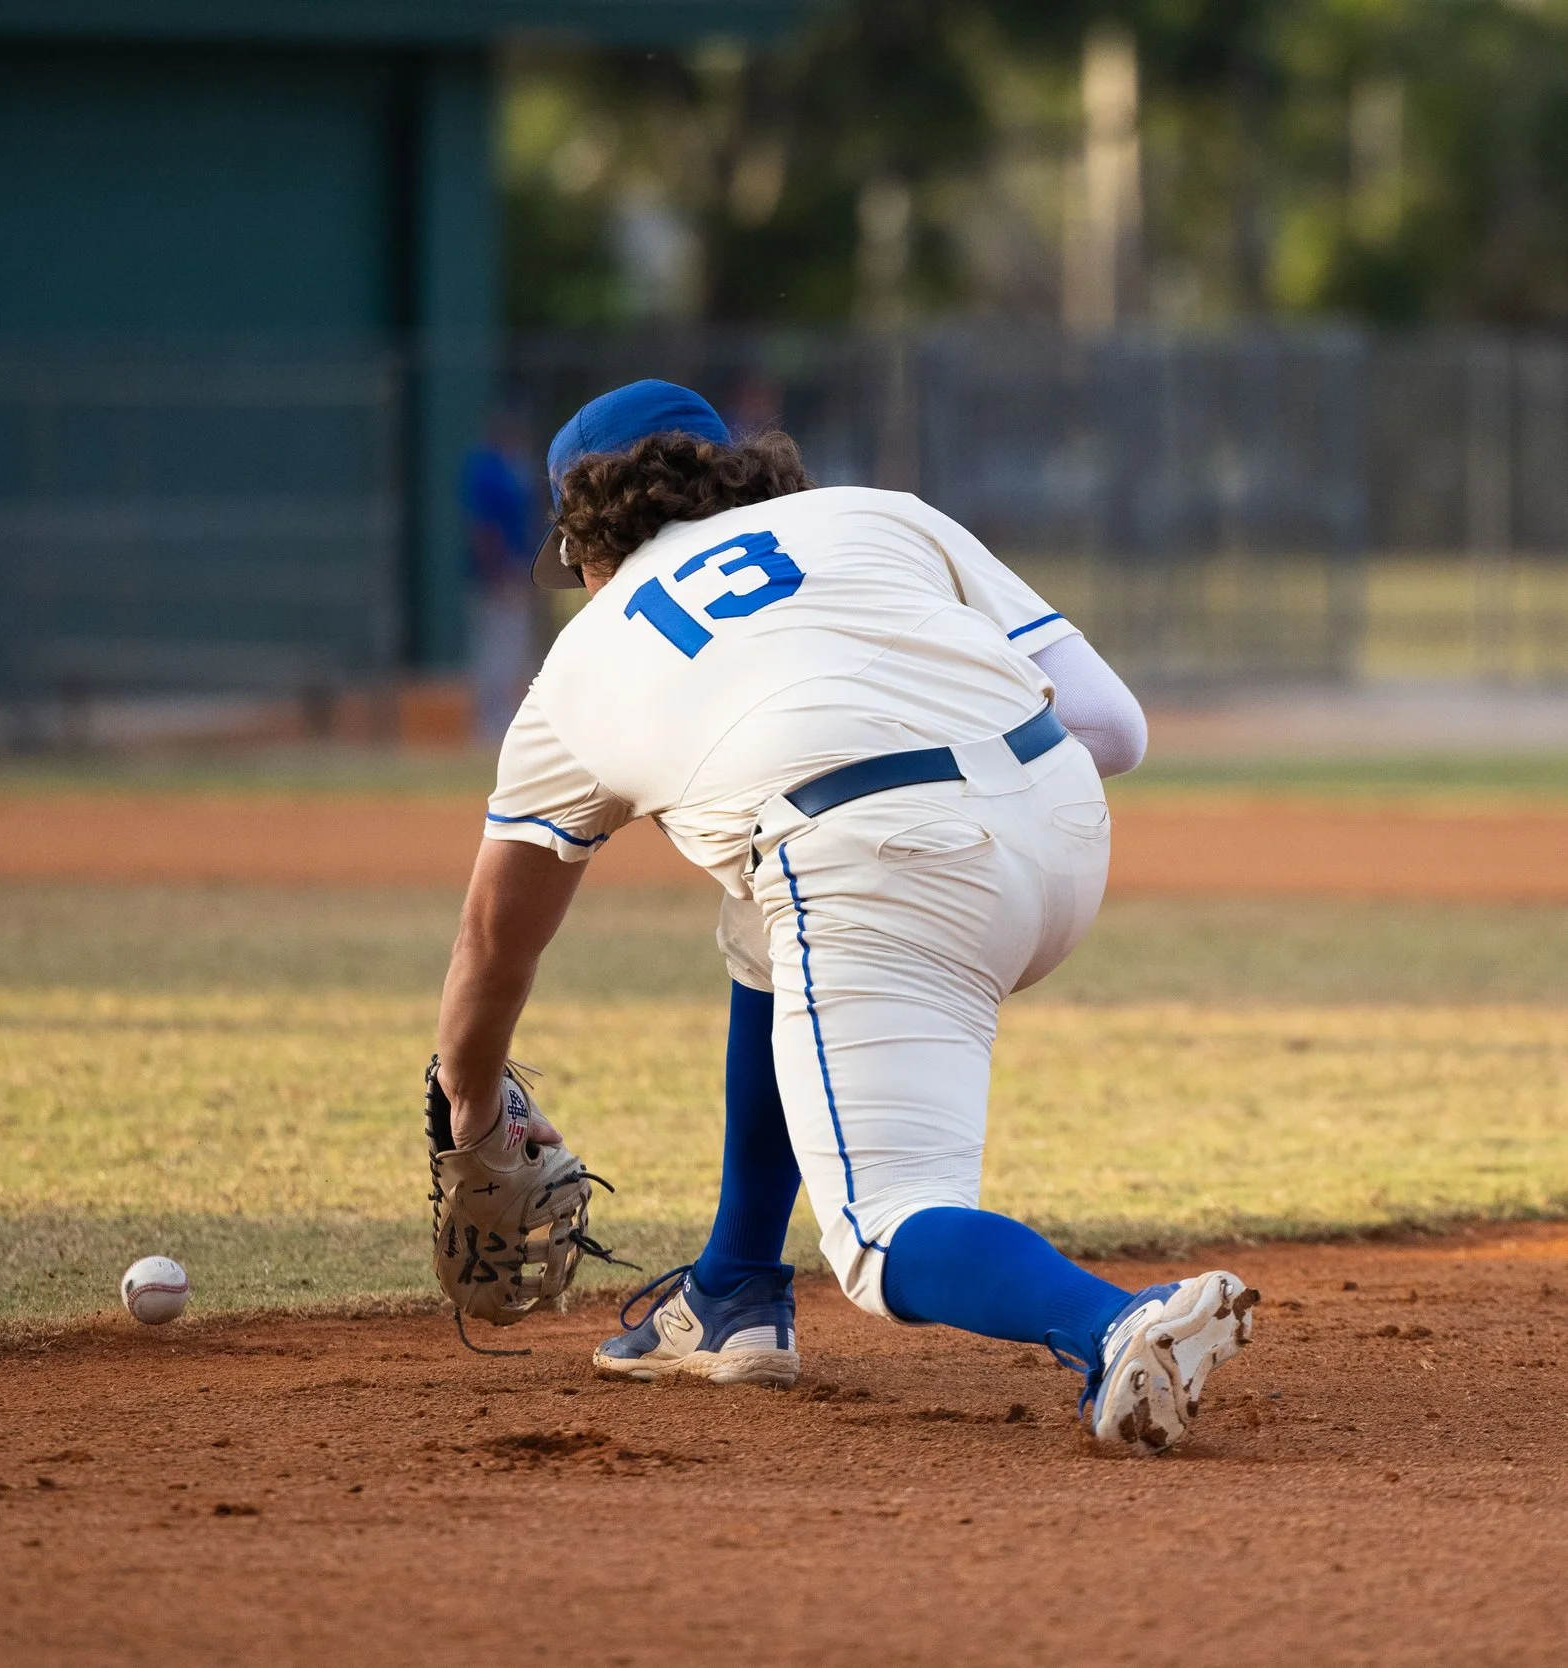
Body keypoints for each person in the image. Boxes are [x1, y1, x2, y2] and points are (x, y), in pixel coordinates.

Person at [428, 379, 1255, 1455]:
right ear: (730, 470)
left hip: (876, 855)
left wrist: (473, 1106)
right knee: (763, 928)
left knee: (879, 1234)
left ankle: (1116, 1325)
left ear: (584, 533)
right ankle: (731, 1297)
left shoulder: (578, 668)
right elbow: (1113, 726)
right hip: (1064, 827)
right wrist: (968, 793)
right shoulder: (874, 513)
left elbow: (496, 942)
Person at [461, 422, 542, 744]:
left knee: (513, 649)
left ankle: (499, 719)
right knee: (495, 649)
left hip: (518, 567)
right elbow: (482, 528)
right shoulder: (487, 471)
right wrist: (496, 573)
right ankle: (487, 723)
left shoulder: (516, 468)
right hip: (496, 573)